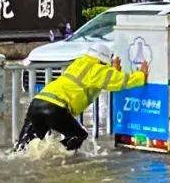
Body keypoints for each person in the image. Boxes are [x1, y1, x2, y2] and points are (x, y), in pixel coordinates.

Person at [16, 39, 150, 151]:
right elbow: (121, 81)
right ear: (104, 61)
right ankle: (58, 158)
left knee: (23, 146)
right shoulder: (98, 69)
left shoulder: (79, 63)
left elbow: (101, 80)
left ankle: (39, 156)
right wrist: (141, 75)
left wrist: (113, 70)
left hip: (37, 102)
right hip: (55, 108)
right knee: (78, 135)